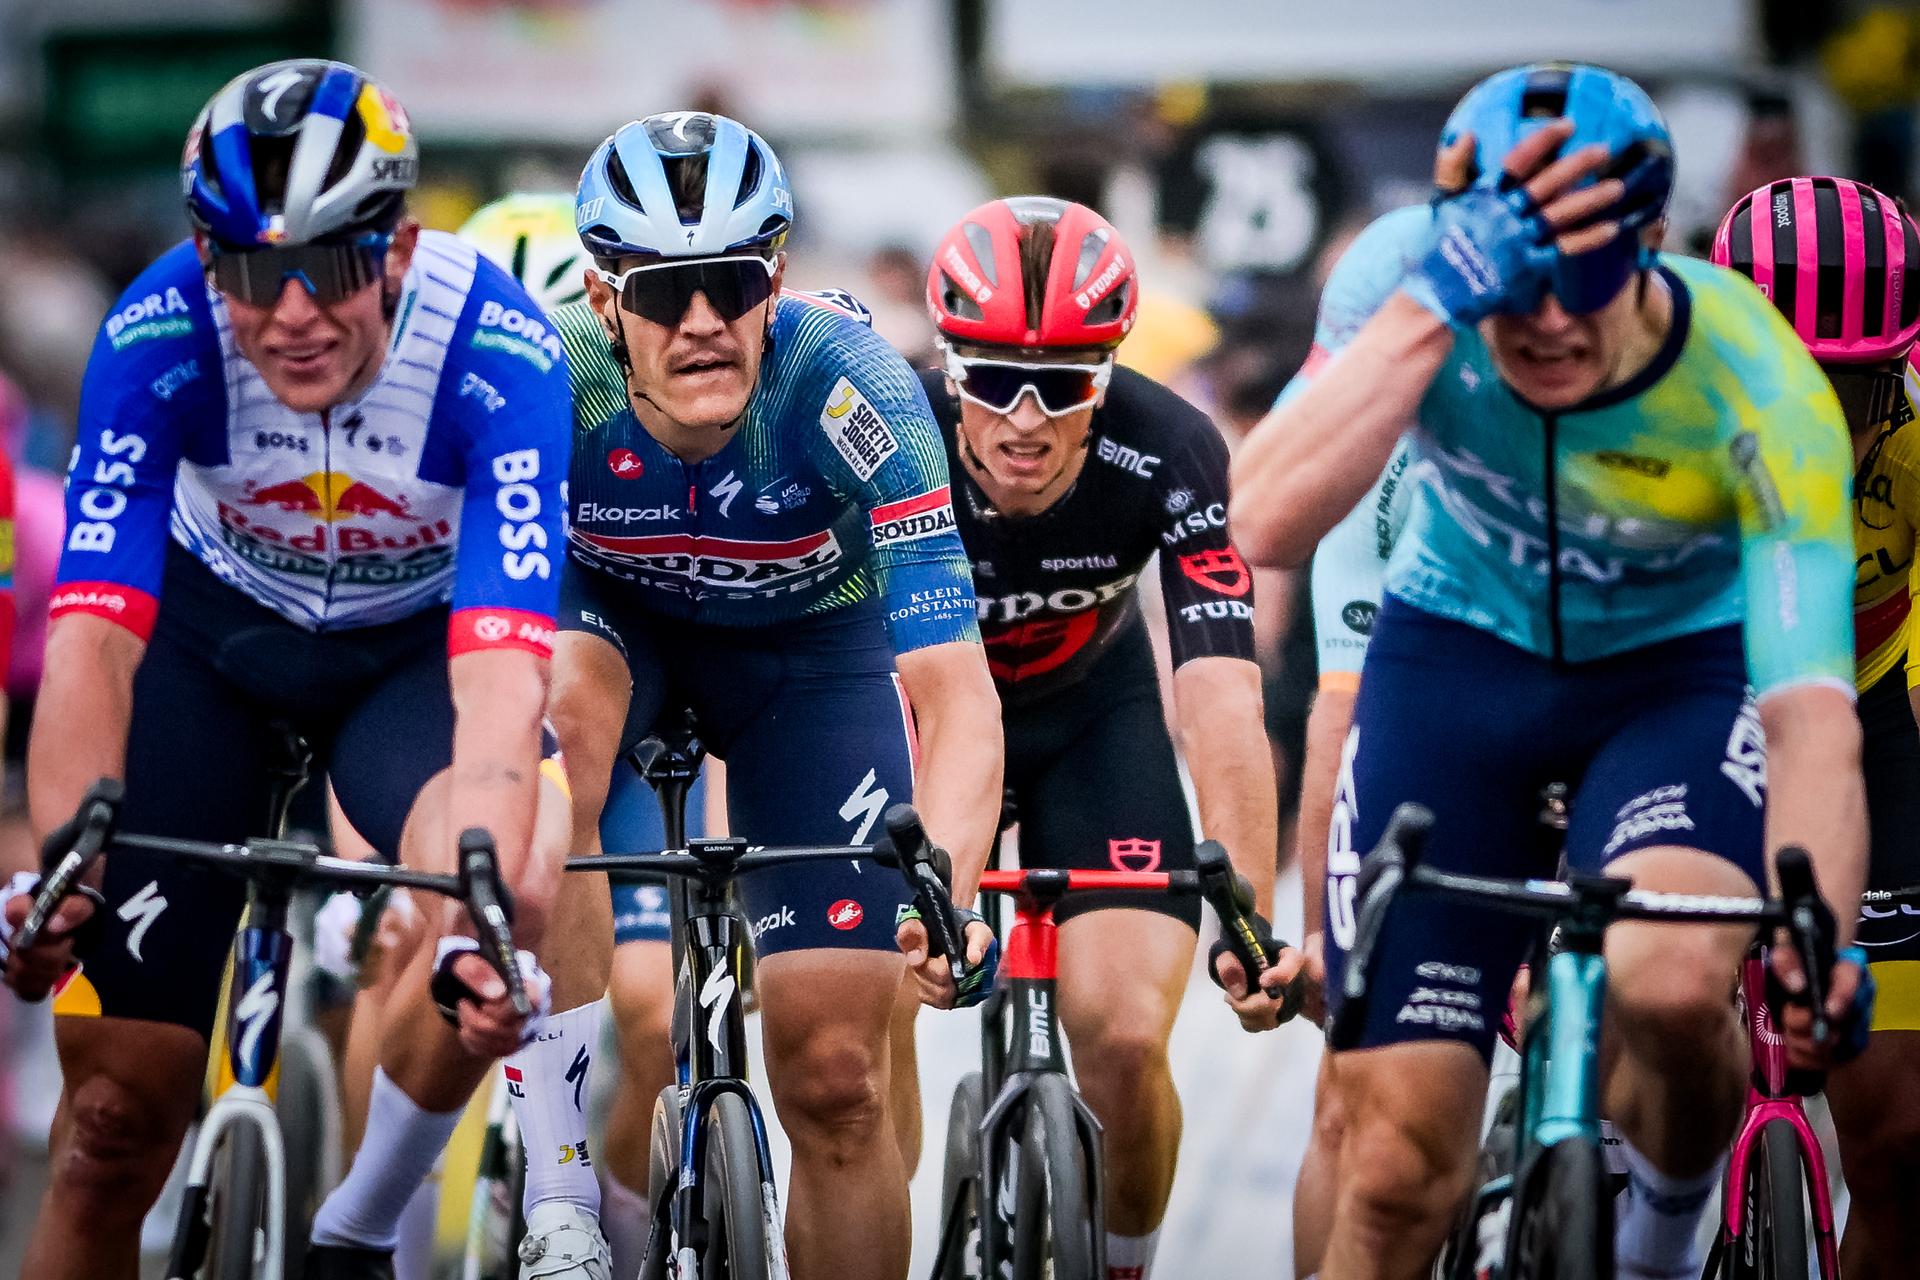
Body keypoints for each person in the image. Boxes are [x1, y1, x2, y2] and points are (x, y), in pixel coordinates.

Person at [1229, 63, 1871, 1280]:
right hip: (1455, 665)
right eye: (1518, 306)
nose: (1552, 332)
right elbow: (1256, 519)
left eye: (1584, 293)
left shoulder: (1758, 381)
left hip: (1671, 680)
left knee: (1675, 985)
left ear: (1652, 248)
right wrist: (1438, 301)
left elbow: (1811, 719)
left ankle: (1662, 1241)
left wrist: (1822, 939)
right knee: (1394, 1169)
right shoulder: (1406, 276)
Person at [0, 59, 575, 1280]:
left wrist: (479, 905)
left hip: (411, 658)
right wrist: (63, 864)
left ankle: (358, 1224)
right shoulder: (156, 338)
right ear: (211, 266)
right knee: (109, 1131)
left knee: (514, 875)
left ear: (401, 248)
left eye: (334, 264)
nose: (295, 312)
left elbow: (500, 678)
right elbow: (95, 635)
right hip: (215, 648)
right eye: (257, 273)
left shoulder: (502, 352)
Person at [528, 112, 1003, 1280]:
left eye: (732, 283)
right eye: (661, 292)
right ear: (603, 299)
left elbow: (953, 692)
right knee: (555, 736)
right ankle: (558, 1185)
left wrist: (948, 893)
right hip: (617, 623)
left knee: (841, 1081)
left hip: (807, 651)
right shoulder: (548, 378)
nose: (701, 322)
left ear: (776, 277)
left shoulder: (853, 387)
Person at [920, 194, 1290, 1279]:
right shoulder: (881, 415)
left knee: (1123, 1038)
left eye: (1065, 382)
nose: (1024, 420)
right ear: (947, 367)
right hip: (923, 719)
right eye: (990, 380)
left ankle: (1123, 1263)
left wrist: (1251, 910)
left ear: (1109, 378)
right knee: (850, 1012)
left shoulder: (1171, 444)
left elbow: (1220, 687)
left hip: (1096, 713)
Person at [1712, 174, 1920, 1280]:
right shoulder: (1646, 412)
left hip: (1866, 709)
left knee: (1899, 1143)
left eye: (1860, 384)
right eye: (1796, 378)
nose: (1825, 417)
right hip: (1693, 699)